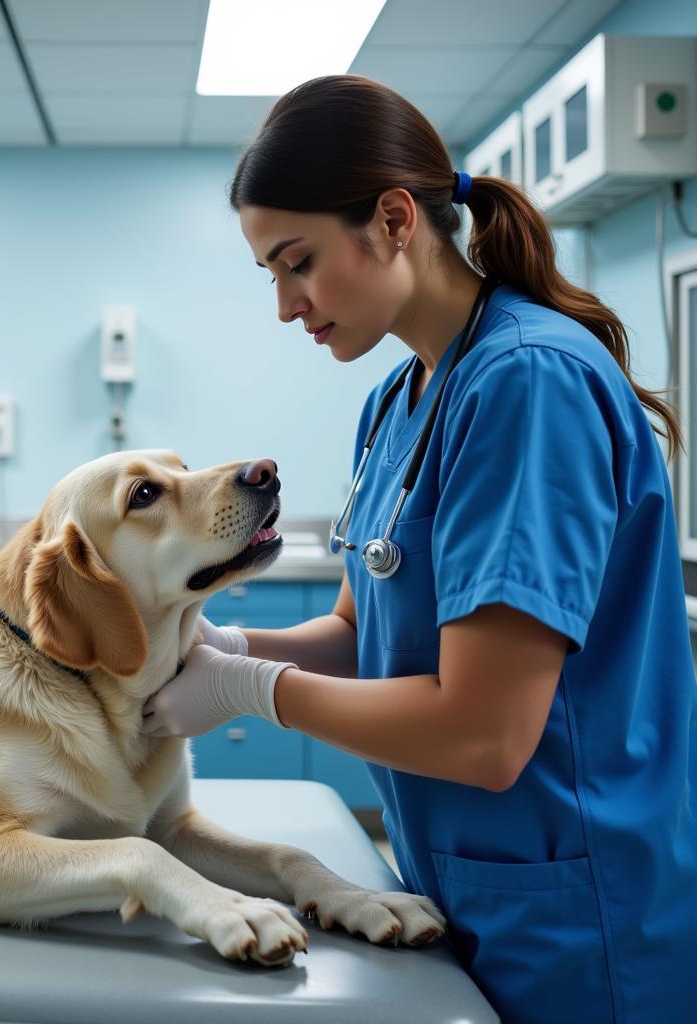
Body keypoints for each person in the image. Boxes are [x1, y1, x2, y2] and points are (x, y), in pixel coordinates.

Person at [142, 76, 696, 1023]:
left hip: (581, 917)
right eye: (271, 274)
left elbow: (485, 735)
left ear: (395, 220)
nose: (285, 305)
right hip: (467, 893)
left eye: (298, 262)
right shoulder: (397, 400)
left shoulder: (527, 384)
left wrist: (250, 694)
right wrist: (225, 648)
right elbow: (364, 638)